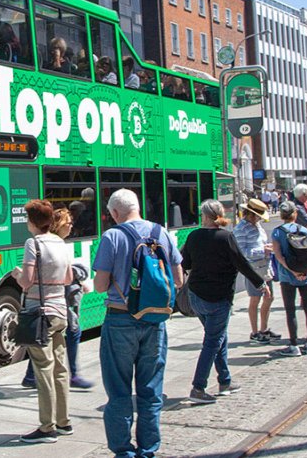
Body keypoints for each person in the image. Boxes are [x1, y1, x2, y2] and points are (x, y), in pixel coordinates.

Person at [92, 188, 182, 458]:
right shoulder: (160, 232)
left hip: (120, 318)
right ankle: (148, 450)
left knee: (119, 390)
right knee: (151, 390)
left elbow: (100, 286)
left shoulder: (112, 236)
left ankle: (123, 451)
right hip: (155, 320)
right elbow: (178, 278)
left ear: (115, 213)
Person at [180, 200, 266, 402]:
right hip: (218, 298)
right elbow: (242, 263)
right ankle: (198, 388)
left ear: (204, 215)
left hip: (197, 297)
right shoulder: (226, 237)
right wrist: (260, 282)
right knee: (213, 341)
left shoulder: (193, 236)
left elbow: (185, 263)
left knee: (218, 336)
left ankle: (225, 380)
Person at [13, 201, 74, 443]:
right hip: (60, 311)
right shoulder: (60, 242)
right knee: (60, 368)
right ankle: (64, 421)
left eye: (28, 218)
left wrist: (18, 275)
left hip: (41, 313)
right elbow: (68, 277)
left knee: (43, 369)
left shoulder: (33, 243)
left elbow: (27, 281)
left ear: (33, 222)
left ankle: (47, 427)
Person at [22, 208, 95, 391]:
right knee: (70, 332)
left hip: (50, 303)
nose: (71, 227)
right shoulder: (52, 244)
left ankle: (32, 376)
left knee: (42, 341)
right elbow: (64, 277)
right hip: (55, 303)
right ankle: (72, 376)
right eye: (68, 223)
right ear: (58, 225)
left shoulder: (44, 243)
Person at [270, 201, 307, 357]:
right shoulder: (305, 230)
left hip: (288, 276)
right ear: (295, 214)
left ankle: (294, 345)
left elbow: (278, 256)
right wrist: (306, 271)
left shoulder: (277, 232)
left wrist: (292, 270)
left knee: (290, 310)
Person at [234, 200, 278, 343]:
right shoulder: (241, 228)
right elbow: (241, 252)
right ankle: (255, 332)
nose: (259, 218)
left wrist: (267, 247)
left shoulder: (257, 225)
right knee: (256, 299)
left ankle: (264, 329)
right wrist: (262, 250)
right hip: (253, 268)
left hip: (264, 266)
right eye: (257, 216)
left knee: (269, 298)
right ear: (251, 214)